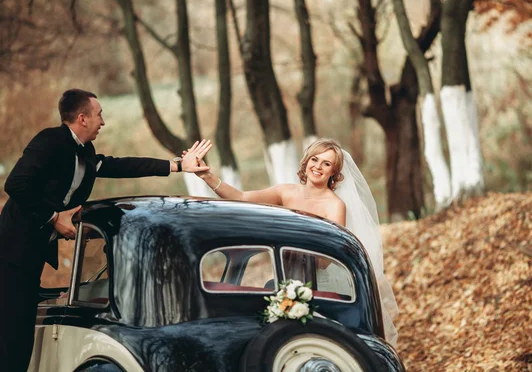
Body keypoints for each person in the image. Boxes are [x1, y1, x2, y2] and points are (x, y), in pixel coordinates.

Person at [0, 89, 207, 371]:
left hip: (32, 254)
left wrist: (178, 165)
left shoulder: (85, 152)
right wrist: (53, 217)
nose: (103, 121)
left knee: (21, 335)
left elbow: (118, 165)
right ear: (82, 118)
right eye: (99, 115)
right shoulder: (49, 141)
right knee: (14, 336)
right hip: (11, 253)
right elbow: (15, 184)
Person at [185, 138, 400, 346]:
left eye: (326, 164)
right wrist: (207, 176)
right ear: (306, 161)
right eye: (314, 160)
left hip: (319, 284)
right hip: (284, 278)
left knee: (316, 340)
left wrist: (294, 247)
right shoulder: (286, 192)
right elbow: (241, 197)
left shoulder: (334, 206)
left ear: (334, 172)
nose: (318, 167)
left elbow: (328, 259)